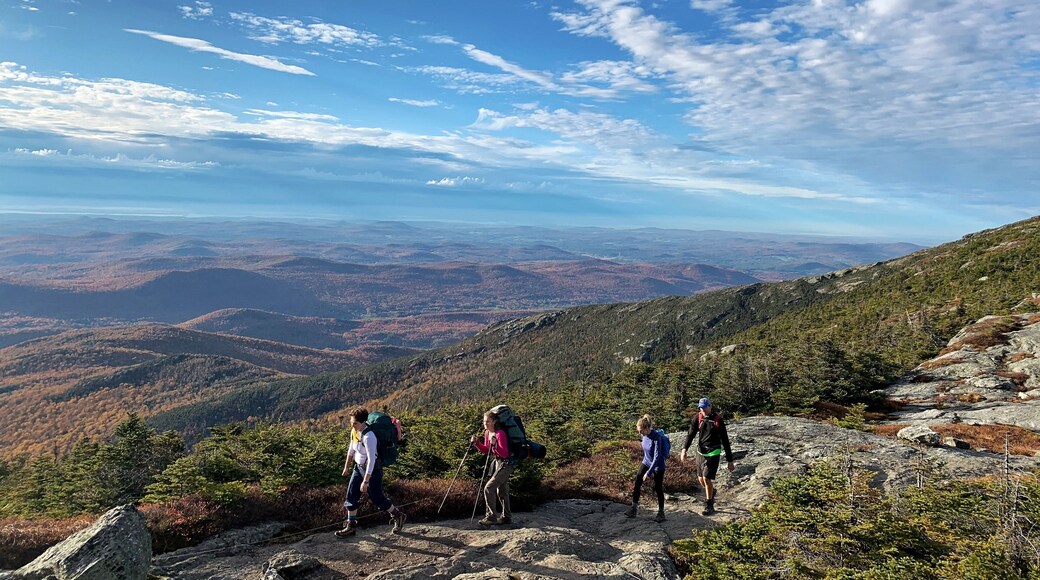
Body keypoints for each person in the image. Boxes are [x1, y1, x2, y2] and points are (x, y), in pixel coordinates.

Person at [335, 406, 407, 537]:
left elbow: (372, 460)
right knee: (351, 496)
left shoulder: (369, 437)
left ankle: (397, 515)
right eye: (351, 423)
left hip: (372, 470)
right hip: (359, 468)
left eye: (355, 423)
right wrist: (346, 467)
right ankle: (351, 526)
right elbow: (351, 449)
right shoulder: (354, 431)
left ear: (363, 422)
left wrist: (366, 481)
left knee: (377, 497)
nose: (352, 425)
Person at [680, 397, 734, 516]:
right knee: (700, 479)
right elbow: (690, 434)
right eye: (701, 408)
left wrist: (730, 460)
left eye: (705, 407)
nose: (703, 410)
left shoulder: (718, 420)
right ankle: (711, 491)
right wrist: (684, 450)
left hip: (713, 451)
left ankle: (709, 504)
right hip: (701, 451)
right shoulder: (697, 418)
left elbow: (725, 440)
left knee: (706, 478)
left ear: (710, 406)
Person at [471, 410, 513, 525]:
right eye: (484, 421)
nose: (485, 424)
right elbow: (487, 450)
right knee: (502, 490)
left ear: (494, 421)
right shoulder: (487, 433)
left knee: (489, 488)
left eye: (488, 421)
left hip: (506, 463)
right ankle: (506, 517)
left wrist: (494, 445)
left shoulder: (500, 434)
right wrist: (477, 444)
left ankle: (491, 517)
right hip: (498, 463)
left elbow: (504, 453)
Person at [625, 415, 667, 522]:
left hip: (658, 465)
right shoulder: (644, 436)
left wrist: (649, 472)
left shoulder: (656, 437)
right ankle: (633, 509)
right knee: (637, 482)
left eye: (641, 431)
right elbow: (646, 452)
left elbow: (657, 457)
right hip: (646, 461)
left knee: (658, 488)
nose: (640, 433)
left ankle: (661, 512)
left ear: (647, 428)